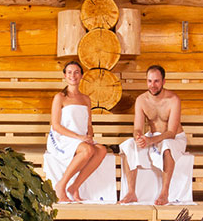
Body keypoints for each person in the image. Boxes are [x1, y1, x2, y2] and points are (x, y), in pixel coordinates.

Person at [119, 64, 186, 205]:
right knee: (128, 145)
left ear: (163, 81)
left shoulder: (173, 100)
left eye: (156, 81)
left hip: (173, 139)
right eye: (150, 81)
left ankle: (164, 193)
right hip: (153, 137)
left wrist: (150, 140)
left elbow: (171, 132)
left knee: (167, 146)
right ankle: (131, 192)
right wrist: (139, 137)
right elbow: (137, 128)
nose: (153, 85)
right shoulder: (141, 100)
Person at [45, 61, 108, 202]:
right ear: (65, 75)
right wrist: (79, 137)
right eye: (69, 72)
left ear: (81, 76)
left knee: (102, 150)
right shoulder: (60, 97)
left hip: (81, 138)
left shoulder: (86, 99)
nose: (73, 75)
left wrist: (89, 135)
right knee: (87, 151)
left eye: (76, 72)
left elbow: (89, 124)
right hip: (63, 137)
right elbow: (55, 125)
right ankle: (61, 186)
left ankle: (74, 186)